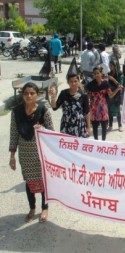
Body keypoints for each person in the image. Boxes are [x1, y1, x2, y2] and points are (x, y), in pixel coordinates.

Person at [9, 82, 54, 223]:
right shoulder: (16, 112)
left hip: (40, 153)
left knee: (42, 181)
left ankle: (44, 207)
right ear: (22, 95)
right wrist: (12, 155)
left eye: (32, 93)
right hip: (25, 154)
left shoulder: (43, 110)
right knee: (29, 182)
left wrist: (42, 128)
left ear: (37, 95)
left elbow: (52, 132)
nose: (29, 96)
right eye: (26, 93)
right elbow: (14, 133)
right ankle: (32, 208)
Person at [49, 73, 90, 138]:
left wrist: (88, 127)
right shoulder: (63, 93)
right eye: (71, 81)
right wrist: (53, 96)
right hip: (66, 123)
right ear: (68, 82)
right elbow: (54, 107)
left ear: (78, 81)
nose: (73, 83)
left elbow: (87, 112)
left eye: (75, 81)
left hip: (79, 124)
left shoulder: (83, 95)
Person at [86, 67, 122, 140]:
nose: (96, 75)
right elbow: (88, 96)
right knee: (95, 126)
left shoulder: (105, 83)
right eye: (95, 74)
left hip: (103, 108)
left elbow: (110, 95)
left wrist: (117, 89)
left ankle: (103, 142)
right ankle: (96, 141)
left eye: (98, 73)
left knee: (104, 126)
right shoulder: (90, 84)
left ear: (101, 73)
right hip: (94, 108)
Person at [107, 61, 124, 132]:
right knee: (110, 110)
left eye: (112, 65)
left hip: (117, 94)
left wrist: (113, 79)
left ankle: (120, 125)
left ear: (115, 65)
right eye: (109, 65)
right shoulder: (109, 74)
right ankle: (110, 125)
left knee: (117, 111)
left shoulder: (119, 74)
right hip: (110, 94)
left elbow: (120, 85)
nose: (110, 67)